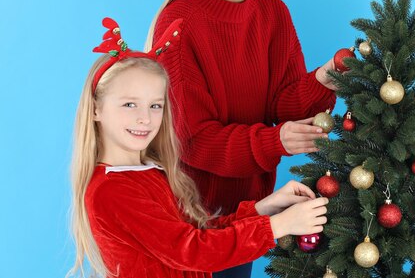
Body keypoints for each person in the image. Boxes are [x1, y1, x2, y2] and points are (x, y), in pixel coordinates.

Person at [146, 0, 338, 278]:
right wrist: (275, 141)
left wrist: (326, 77)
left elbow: (284, 104)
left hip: (251, 209)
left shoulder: (273, 12)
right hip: (193, 216)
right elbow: (193, 139)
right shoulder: (180, 23)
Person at [68, 18, 328, 278]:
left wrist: (263, 209)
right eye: (129, 104)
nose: (144, 118)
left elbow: (198, 232)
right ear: (95, 109)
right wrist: (277, 226)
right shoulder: (111, 190)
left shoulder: (150, 172)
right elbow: (192, 251)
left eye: (155, 105)